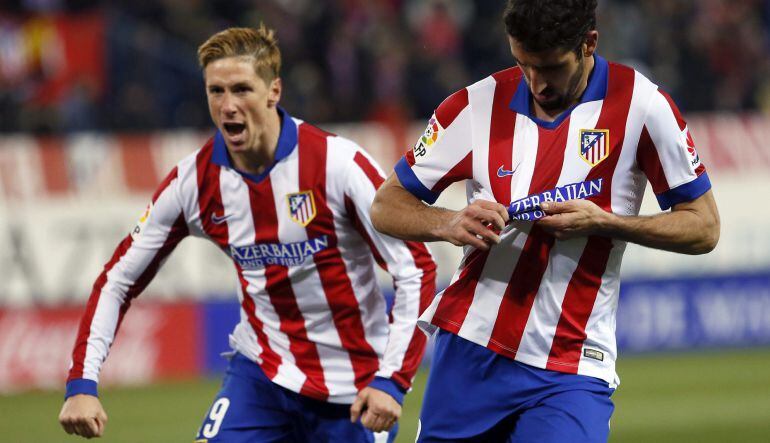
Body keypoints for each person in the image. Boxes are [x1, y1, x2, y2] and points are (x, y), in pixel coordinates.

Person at [58, 25, 436, 443]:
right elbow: (118, 279)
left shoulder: (338, 165)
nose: (228, 106)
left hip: (355, 388)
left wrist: (393, 380)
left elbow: (415, 268)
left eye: (241, 89)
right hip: (261, 376)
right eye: (215, 91)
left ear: (274, 91)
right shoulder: (194, 182)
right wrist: (82, 383)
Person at [370, 0, 720, 442]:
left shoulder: (642, 106)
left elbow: (704, 226)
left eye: (551, 67)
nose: (536, 82)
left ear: (589, 42)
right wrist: (448, 222)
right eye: (523, 64)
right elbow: (387, 204)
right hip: (472, 349)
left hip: (572, 362)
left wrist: (608, 223)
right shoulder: (475, 106)